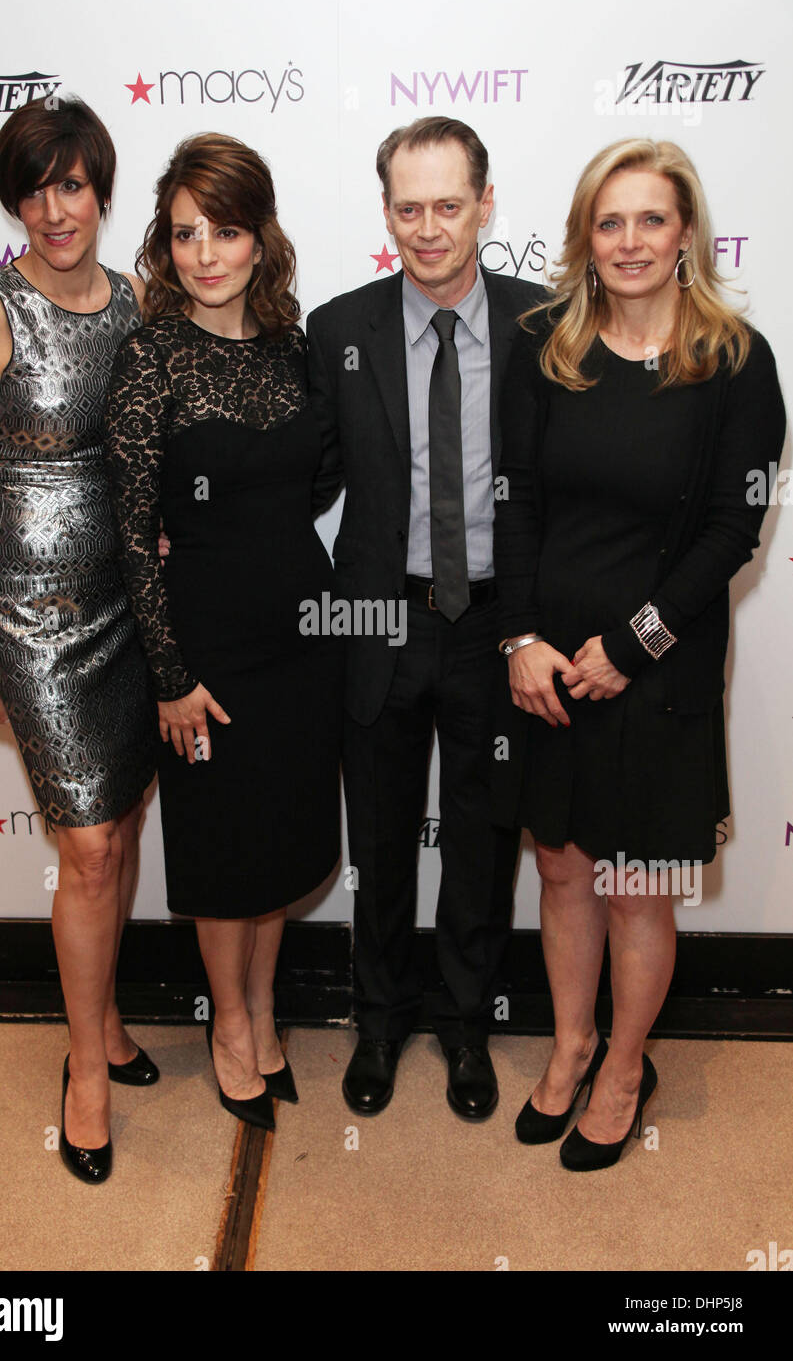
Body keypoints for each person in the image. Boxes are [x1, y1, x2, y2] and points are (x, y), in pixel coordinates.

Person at [494, 137, 786, 1170]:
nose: (626, 241)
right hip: (547, 673)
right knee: (563, 869)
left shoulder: (735, 363)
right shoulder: (544, 348)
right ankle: (569, 1046)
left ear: (685, 235)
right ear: (584, 236)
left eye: (648, 219)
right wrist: (521, 640)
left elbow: (729, 533)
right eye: (607, 221)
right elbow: (515, 505)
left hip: (656, 676)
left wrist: (631, 645)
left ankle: (624, 1064)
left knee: (633, 883)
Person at [0, 96, 159, 1186]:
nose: (52, 207)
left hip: (131, 598)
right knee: (86, 847)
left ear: (101, 191)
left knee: (118, 825)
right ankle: (85, 1068)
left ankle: (108, 1016)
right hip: (30, 611)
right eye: (32, 187)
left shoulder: (138, 299)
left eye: (71, 184)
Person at [104, 133, 342, 1133]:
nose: (205, 253)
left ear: (259, 238)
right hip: (200, 648)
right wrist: (167, 673)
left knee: (282, 849)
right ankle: (229, 1027)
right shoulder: (149, 357)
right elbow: (129, 527)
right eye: (185, 231)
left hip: (301, 636)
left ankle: (264, 1008)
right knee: (220, 852)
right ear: (165, 240)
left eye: (226, 230)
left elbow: (321, 479)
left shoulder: (296, 350)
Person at [306, 116, 542, 1118]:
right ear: (386, 211)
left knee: (482, 844)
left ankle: (464, 1025)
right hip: (377, 617)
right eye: (409, 207)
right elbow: (299, 474)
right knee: (381, 838)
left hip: (496, 629)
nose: (430, 227)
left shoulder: (542, 326)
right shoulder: (337, 330)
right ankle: (376, 1020)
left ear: (485, 204)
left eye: (449, 205)